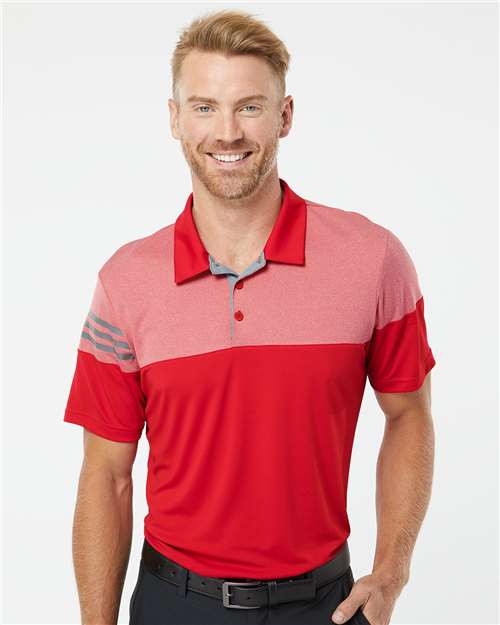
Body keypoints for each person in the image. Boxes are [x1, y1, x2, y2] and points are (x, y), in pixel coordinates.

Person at [63, 9, 437, 625]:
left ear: (285, 116)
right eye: (204, 107)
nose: (228, 132)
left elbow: (409, 413)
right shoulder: (125, 282)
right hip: (174, 605)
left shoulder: (373, 260)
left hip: (326, 605)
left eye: (250, 107)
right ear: (175, 119)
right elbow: (106, 474)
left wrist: (391, 571)